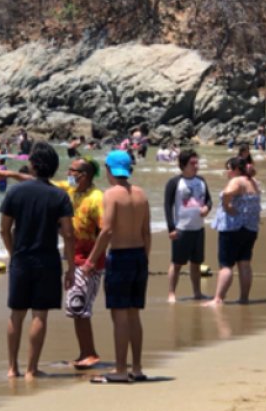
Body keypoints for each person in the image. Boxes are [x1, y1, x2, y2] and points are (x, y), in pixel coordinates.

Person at [0, 142, 75, 379]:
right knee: (39, 315)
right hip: (47, 260)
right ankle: (32, 369)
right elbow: (69, 234)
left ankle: (13, 368)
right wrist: (71, 267)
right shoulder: (60, 196)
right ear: (53, 168)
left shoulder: (15, 192)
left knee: (16, 313)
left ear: (32, 165)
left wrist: (13, 254)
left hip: (21, 258)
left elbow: (4, 229)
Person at [86, 150, 151, 383]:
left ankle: (121, 369)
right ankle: (137, 367)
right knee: (134, 314)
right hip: (139, 256)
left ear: (109, 169)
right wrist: (145, 258)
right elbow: (146, 232)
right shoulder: (141, 194)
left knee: (120, 316)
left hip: (120, 256)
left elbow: (108, 230)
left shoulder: (111, 195)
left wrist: (91, 260)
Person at [56, 157, 105, 370]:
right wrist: (8, 175)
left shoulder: (97, 198)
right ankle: (85, 352)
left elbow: (105, 231)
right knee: (76, 308)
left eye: (72, 170)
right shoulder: (71, 188)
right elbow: (41, 182)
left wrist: (91, 262)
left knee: (79, 306)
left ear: (83, 175)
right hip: (74, 258)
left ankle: (91, 353)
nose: (68, 174)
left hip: (89, 261)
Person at [205, 157, 261, 306]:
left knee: (226, 265)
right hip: (250, 228)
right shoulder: (253, 182)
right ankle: (244, 298)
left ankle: (218, 299)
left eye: (229, 168)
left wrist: (226, 205)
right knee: (244, 264)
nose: (227, 171)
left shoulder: (237, 181)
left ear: (236, 169)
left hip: (233, 228)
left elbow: (227, 193)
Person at [164, 149, 213, 303]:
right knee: (177, 263)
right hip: (181, 229)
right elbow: (167, 205)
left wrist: (207, 208)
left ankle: (197, 293)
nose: (196, 165)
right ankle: (171, 293)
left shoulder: (201, 180)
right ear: (183, 165)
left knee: (196, 263)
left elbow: (209, 200)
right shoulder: (174, 182)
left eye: (196, 162)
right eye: (192, 163)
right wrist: (171, 228)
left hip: (198, 229)